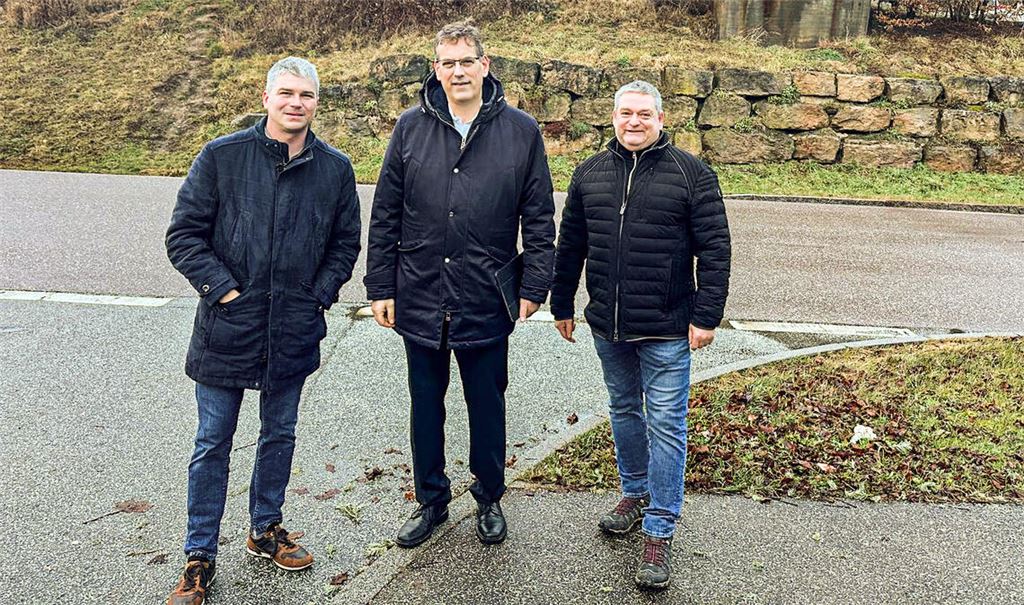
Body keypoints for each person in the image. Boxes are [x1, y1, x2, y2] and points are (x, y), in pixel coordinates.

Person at [164, 56, 361, 605]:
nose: (296, 103)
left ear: (316, 102)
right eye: (287, 93)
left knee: (279, 434)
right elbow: (184, 236)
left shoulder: (335, 168)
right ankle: (199, 555)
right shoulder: (222, 156)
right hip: (227, 327)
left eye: (307, 95)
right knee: (212, 442)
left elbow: (346, 242)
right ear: (267, 96)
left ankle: (265, 528)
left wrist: (318, 296)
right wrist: (224, 290)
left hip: (294, 326)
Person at [364, 22, 555, 548]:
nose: (458, 71)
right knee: (426, 404)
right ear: (436, 70)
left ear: (485, 65)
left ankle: (489, 496)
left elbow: (539, 217)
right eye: (447, 63)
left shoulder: (521, 131)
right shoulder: (410, 127)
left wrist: (534, 285)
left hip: (486, 293)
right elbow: (385, 213)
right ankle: (431, 500)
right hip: (420, 291)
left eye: (466, 61)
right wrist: (380, 286)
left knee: (487, 404)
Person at [549, 80, 731, 590]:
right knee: (624, 410)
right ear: (613, 117)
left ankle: (660, 527)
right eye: (626, 113)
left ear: (660, 118)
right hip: (608, 326)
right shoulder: (589, 173)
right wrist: (562, 303)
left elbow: (715, 250)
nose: (634, 122)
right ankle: (634, 492)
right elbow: (571, 245)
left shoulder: (692, 173)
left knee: (667, 424)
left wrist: (706, 316)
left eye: (644, 114)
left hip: (668, 326)